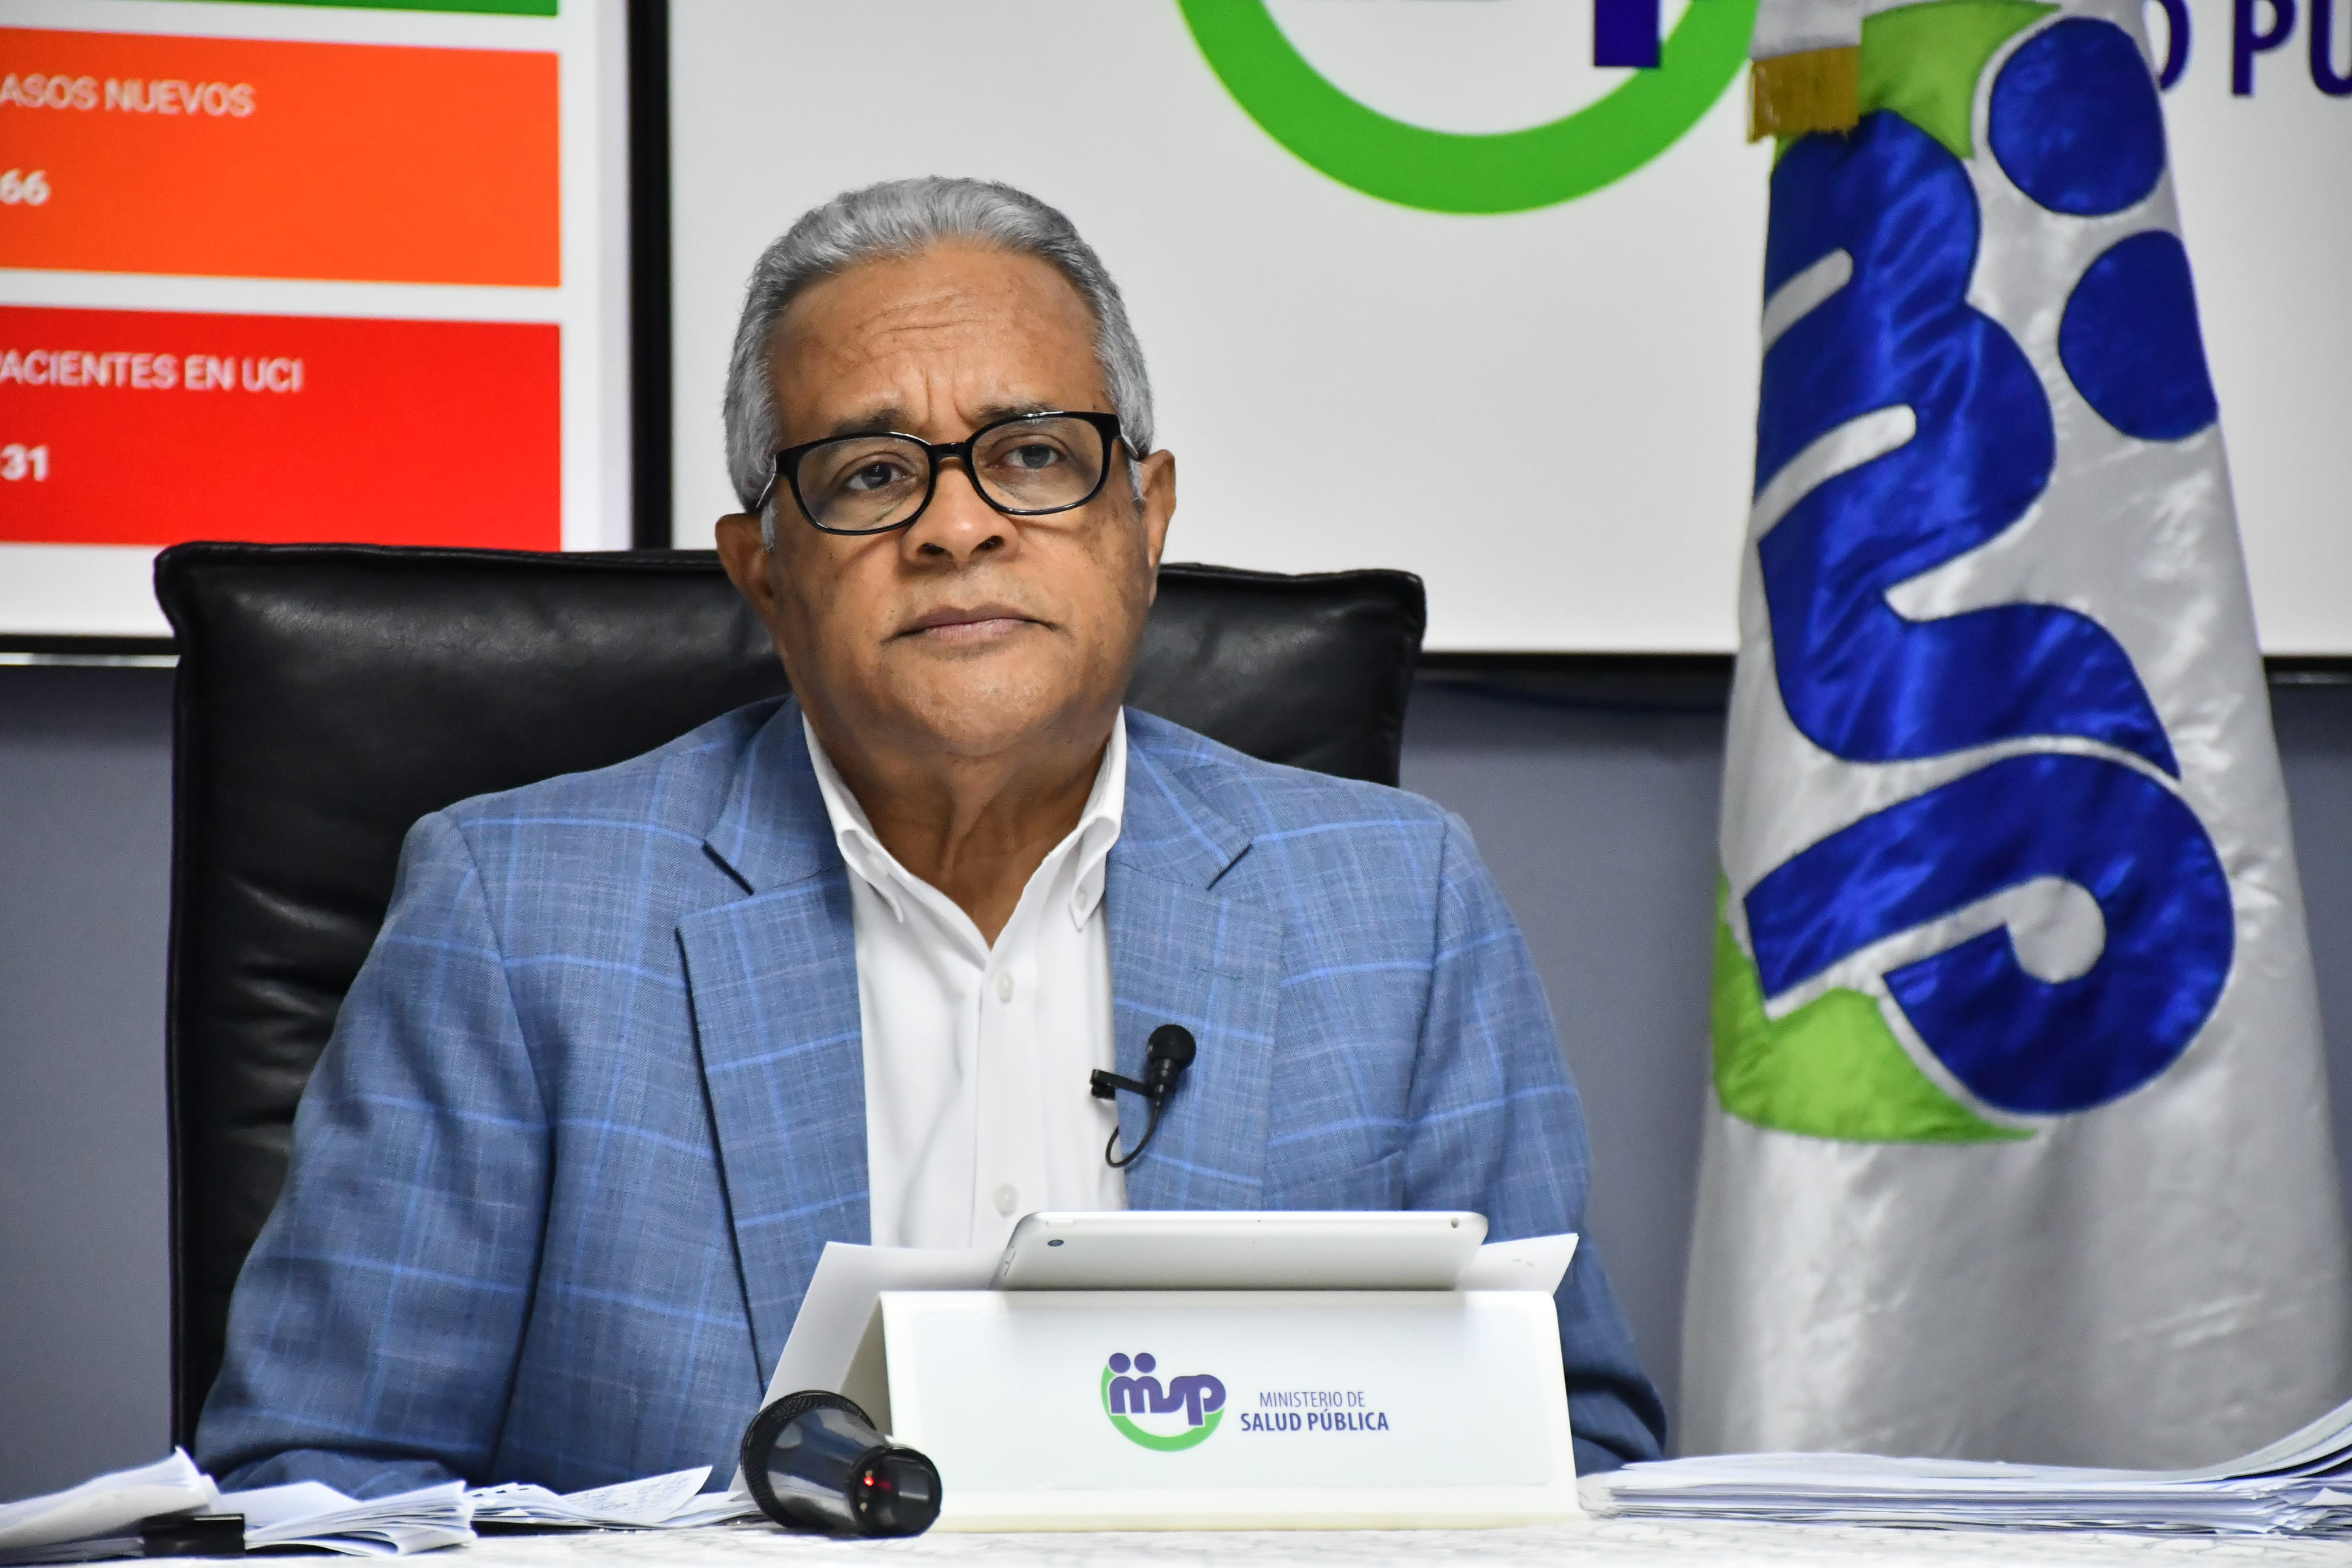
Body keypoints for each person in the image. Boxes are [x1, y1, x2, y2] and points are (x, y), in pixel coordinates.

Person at [196, 177, 1665, 1496]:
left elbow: (1566, 1442)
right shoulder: (519, 916)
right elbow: (320, 1479)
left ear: (1146, 518)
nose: (958, 527)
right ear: (764, 571)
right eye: (871, 474)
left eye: (1033, 455)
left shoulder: (1399, 903)